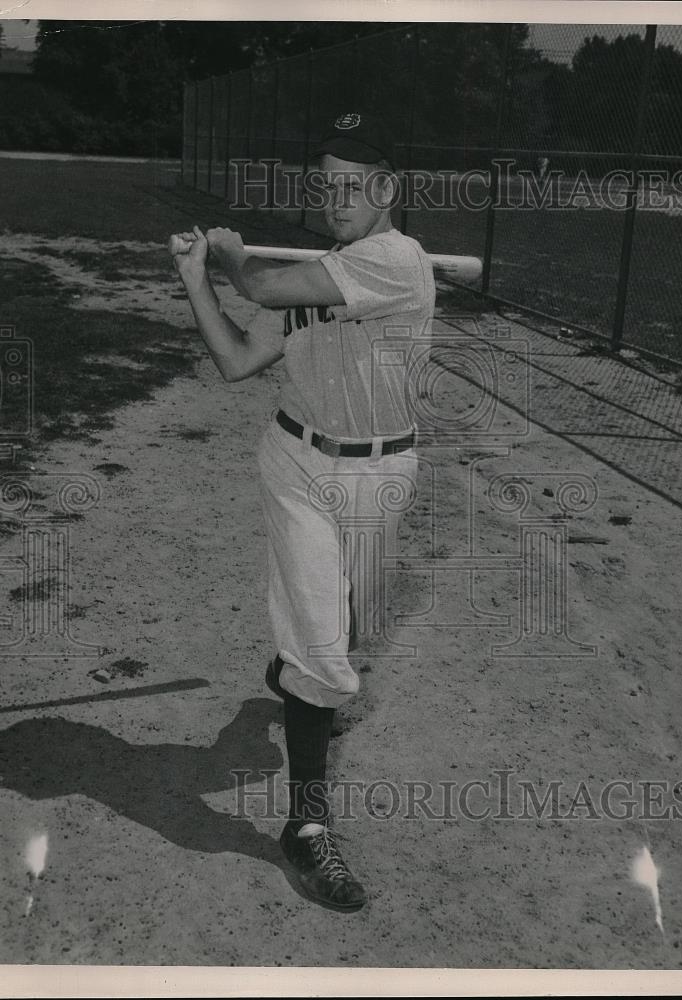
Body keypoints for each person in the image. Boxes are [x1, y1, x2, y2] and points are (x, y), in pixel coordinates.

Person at [169, 111, 435, 911]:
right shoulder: (320, 270)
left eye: (353, 184)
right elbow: (236, 359)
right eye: (326, 185)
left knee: (345, 631)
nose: (336, 197)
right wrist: (194, 282)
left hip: (383, 470)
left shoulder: (398, 260)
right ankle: (306, 830)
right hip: (296, 465)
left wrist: (231, 256)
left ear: (388, 191)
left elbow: (254, 282)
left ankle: (297, 675)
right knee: (325, 654)